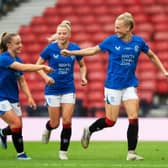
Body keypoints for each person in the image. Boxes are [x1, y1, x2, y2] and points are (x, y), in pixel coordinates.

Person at [61, 12, 168, 160]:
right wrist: (72, 52)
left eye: (118, 27)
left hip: (130, 85)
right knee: (111, 121)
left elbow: (151, 55)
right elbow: (93, 50)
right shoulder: (111, 41)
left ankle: (131, 153)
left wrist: (163, 71)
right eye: (115, 26)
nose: (115, 29)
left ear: (129, 28)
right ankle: (89, 129)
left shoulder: (138, 42)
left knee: (134, 116)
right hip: (113, 86)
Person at [36, 21, 87, 160]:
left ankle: (63, 152)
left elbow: (82, 65)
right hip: (52, 89)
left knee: (67, 120)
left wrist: (83, 77)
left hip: (68, 89)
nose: (61, 35)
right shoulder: (49, 49)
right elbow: (37, 65)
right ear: (56, 35)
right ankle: (48, 128)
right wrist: (46, 77)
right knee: (55, 123)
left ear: (69, 35)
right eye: (59, 33)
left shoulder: (74, 48)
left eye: (64, 33)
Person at [0, 32, 52, 160]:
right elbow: (23, 67)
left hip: (13, 97)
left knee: (18, 126)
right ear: (8, 45)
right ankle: (21, 155)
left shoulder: (18, 59)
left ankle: (4, 134)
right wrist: (41, 66)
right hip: (1, 97)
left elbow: (22, 81)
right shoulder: (4, 58)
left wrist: (29, 97)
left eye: (21, 42)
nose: (20, 45)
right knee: (16, 124)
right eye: (17, 43)